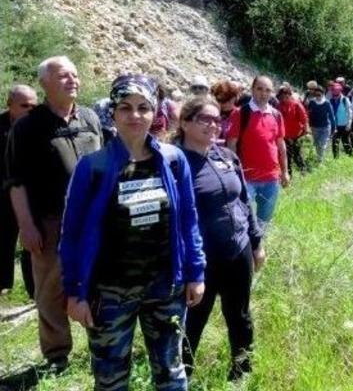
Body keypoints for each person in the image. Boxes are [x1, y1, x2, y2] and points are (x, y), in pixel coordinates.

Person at [61, 74, 205, 390]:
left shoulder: (172, 160)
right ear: (112, 112)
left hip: (165, 287)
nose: (135, 115)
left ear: (155, 113)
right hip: (109, 292)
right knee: (111, 378)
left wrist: (196, 273)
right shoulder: (93, 167)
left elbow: (188, 221)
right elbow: (71, 235)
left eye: (143, 107)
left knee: (171, 372)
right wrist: (75, 291)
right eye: (125, 107)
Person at [7, 57, 102, 371]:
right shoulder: (27, 127)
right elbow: (15, 180)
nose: (72, 80)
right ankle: (57, 356)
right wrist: (26, 226)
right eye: (63, 75)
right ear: (45, 83)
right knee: (50, 291)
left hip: (92, 221)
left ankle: (102, 343)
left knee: (97, 283)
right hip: (50, 222)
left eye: (75, 74)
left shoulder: (90, 118)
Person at [177, 97, 263, 381]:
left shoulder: (226, 155)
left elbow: (243, 201)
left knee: (239, 315)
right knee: (192, 322)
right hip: (201, 261)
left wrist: (256, 242)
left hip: (237, 250)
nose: (213, 125)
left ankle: (241, 373)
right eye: (205, 119)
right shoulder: (174, 163)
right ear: (185, 122)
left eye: (217, 119)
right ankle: (181, 379)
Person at [226, 76, 289, 232]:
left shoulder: (276, 115)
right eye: (259, 89)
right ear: (252, 90)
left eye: (267, 90)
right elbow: (231, 145)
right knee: (240, 219)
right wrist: (233, 173)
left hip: (271, 178)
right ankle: (245, 250)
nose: (263, 93)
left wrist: (285, 172)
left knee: (264, 220)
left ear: (272, 93)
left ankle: (258, 248)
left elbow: (281, 146)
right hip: (246, 178)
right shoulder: (241, 113)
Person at [0, 85, 37, 298]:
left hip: (29, 195)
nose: (29, 110)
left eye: (33, 106)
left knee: (32, 244)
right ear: (10, 105)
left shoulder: (38, 127)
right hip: (3, 196)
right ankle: (4, 286)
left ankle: (35, 292)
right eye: (24, 105)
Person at [278, 85, 308, 176]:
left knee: (297, 154)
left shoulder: (296, 105)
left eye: (286, 96)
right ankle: (288, 175)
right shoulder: (279, 106)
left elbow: (304, 118)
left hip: (296, 135)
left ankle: (303, 172)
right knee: (286, 156)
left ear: (290, 95)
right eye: (282, 96)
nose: (284, 98)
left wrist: (305, 130)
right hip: (284, 136)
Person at [306, 85, 335, 161]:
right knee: (317, 144)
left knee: (322, 145)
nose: (318, 96)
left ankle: (320, 161)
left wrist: (333, 128)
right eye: (316, 95)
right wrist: (307, 126)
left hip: (325, 127)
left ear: (323, 94)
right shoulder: (312, 102)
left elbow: (332, 117)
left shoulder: (327, 103)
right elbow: (307, 114)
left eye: (319, 95)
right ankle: (319, 157)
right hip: (314, 127)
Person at [328, 84, 352, 158]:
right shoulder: (330, 100)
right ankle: (336, 158)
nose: (334, 95)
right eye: (333, 93)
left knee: (346, 141)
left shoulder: (345, 100)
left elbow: (349, 113)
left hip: (344, 125)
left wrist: (349, 124)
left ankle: (350, 157)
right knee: (335, 142)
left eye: (336, 93)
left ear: (340, 92)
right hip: (335, 125)